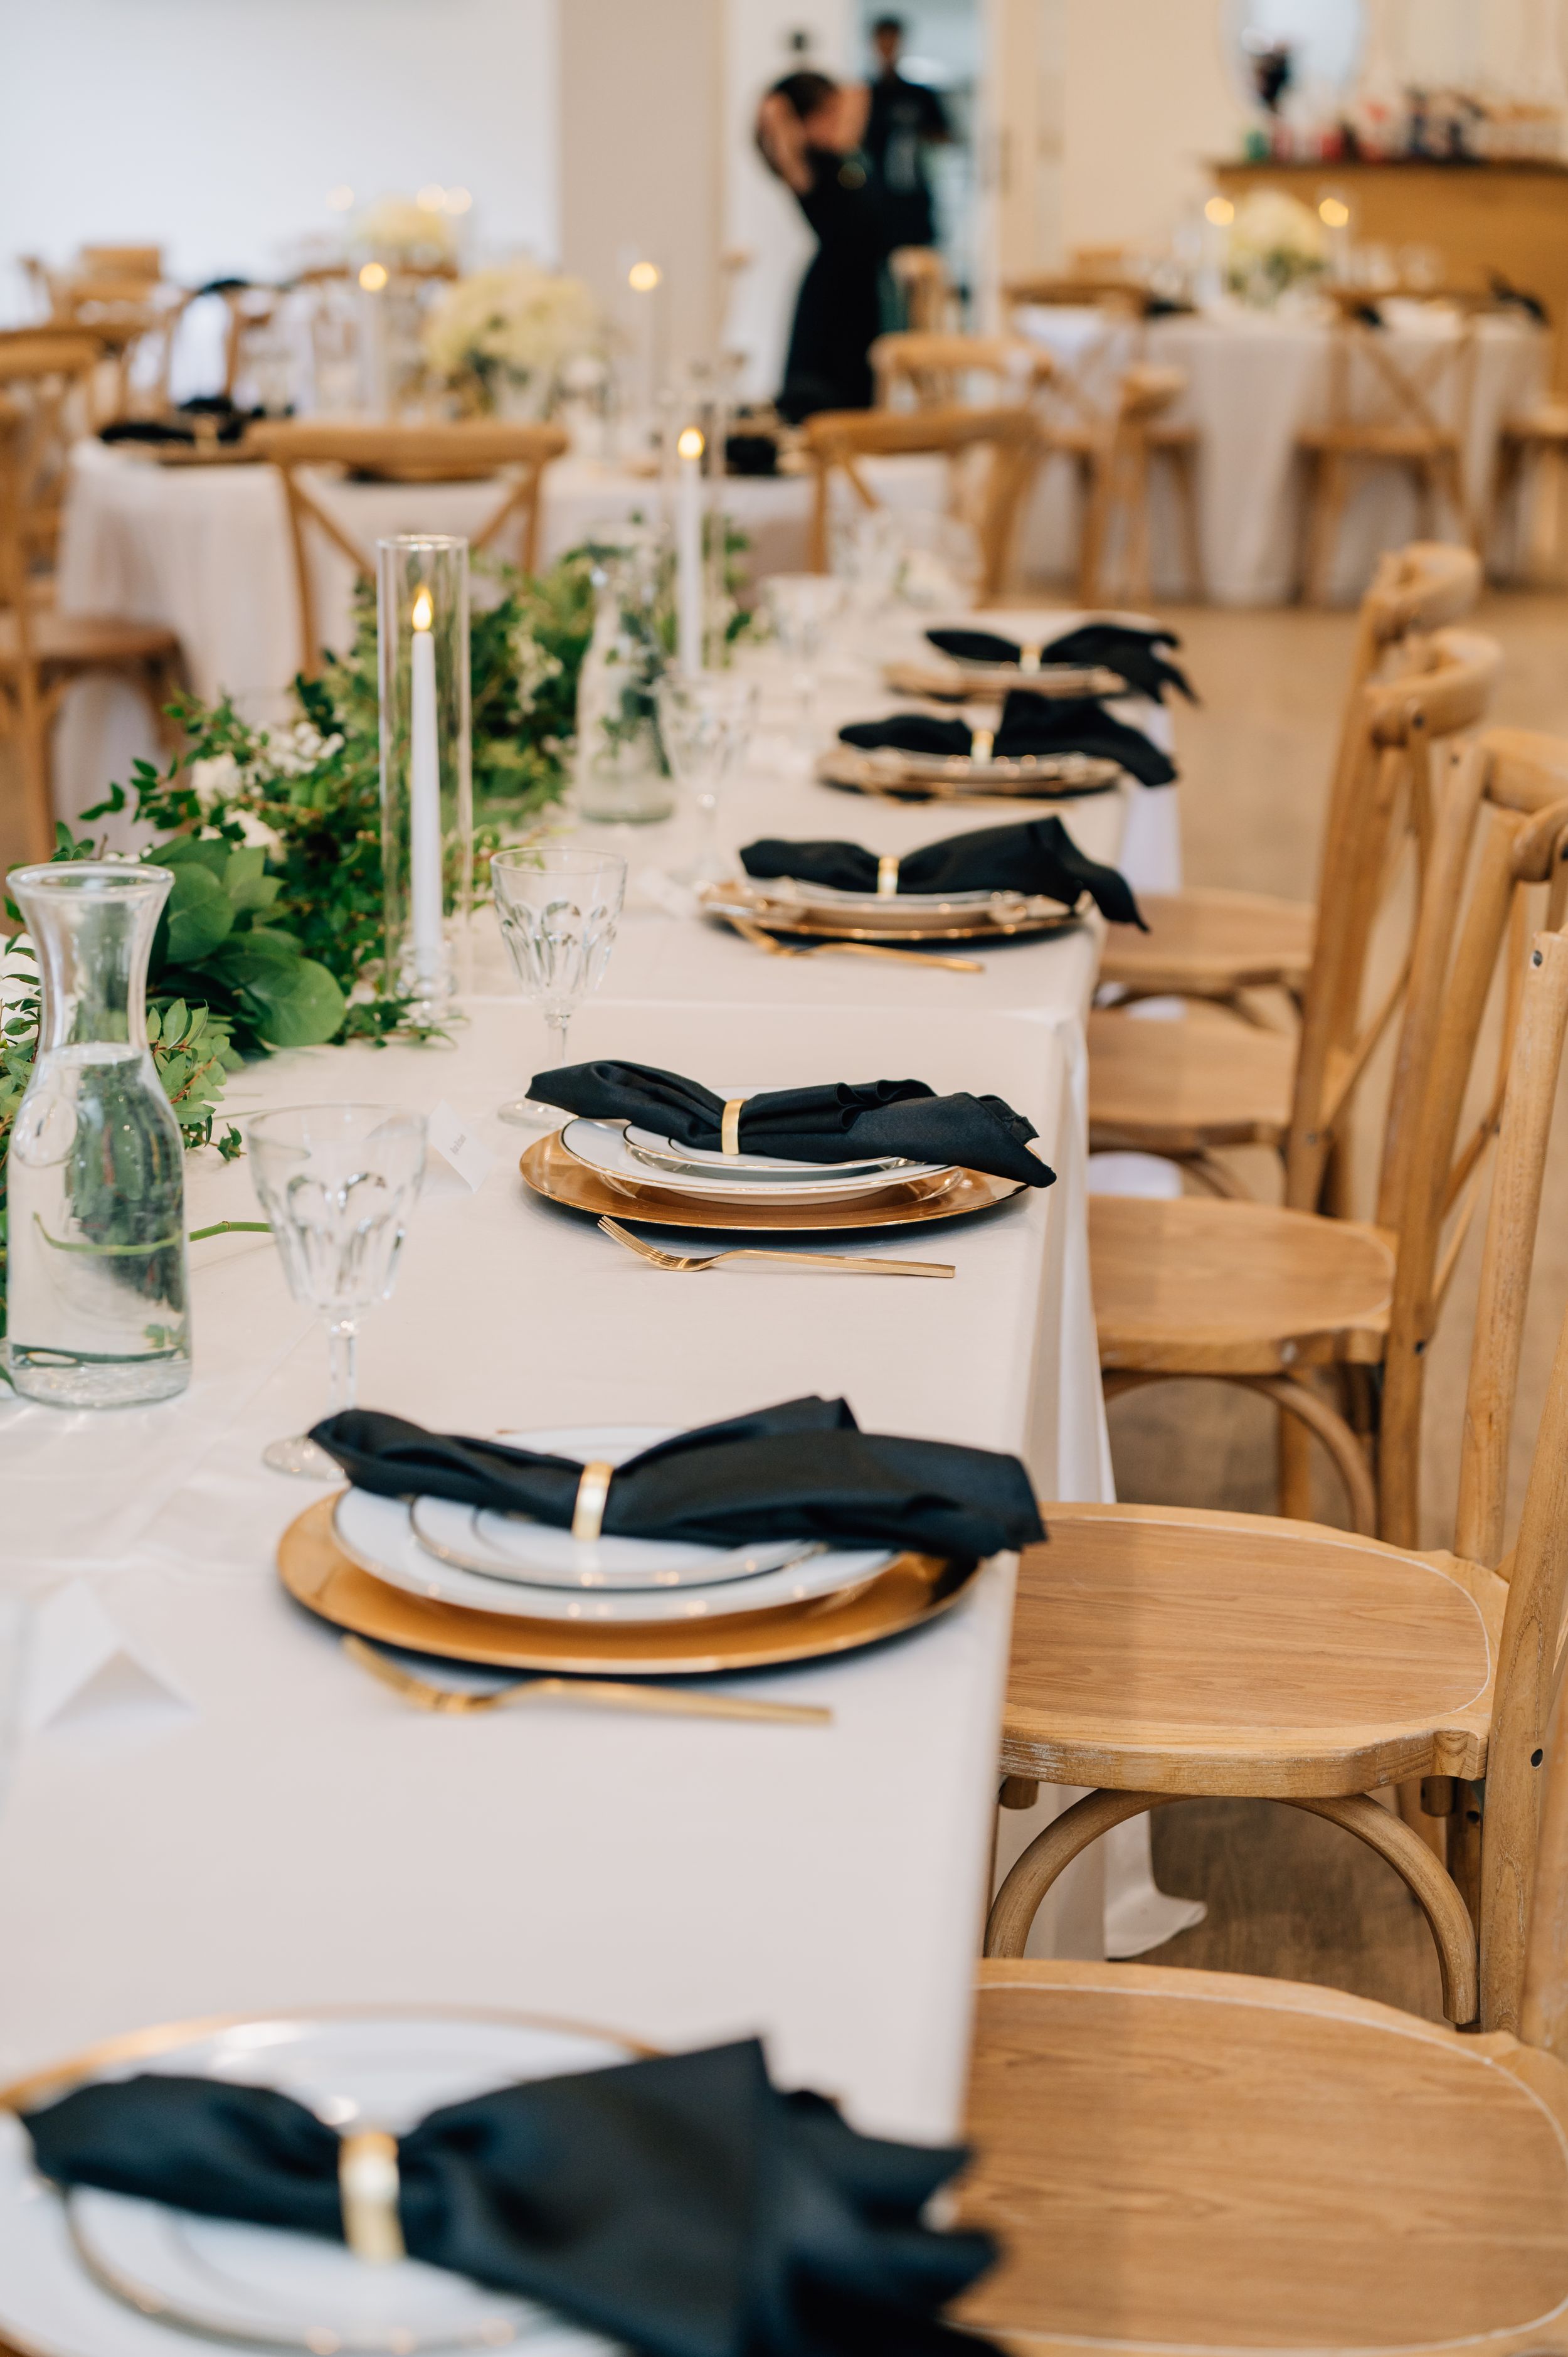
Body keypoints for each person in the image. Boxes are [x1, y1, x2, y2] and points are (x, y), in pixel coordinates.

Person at [755, 70, 896, 423]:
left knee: (859, 398)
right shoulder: (804, 167)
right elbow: (776, 118)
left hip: (862, 292)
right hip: (831, 298)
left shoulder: (849, 160)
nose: (840, 117)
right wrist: (782, 112)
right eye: (828, 111)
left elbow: (859, 95)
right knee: (822, 401)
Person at [864, 16, 951, 252]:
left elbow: (945, 134)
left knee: (918, 259)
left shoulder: (920, 95)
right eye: (883, 41)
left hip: (914, 193)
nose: (888, 48)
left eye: (892, 41)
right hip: (876, 196)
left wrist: (913, 135)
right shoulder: (865, 95)